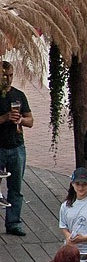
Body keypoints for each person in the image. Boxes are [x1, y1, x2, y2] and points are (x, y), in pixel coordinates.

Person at [0, 61, 33, 236]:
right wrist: (5, 117)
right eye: (4, 75)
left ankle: (13, 222)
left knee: (16, 187)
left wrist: (20, 120)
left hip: (17, 146)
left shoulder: (19, 96)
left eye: (11, 75)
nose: (8, 79)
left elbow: (31, 121)